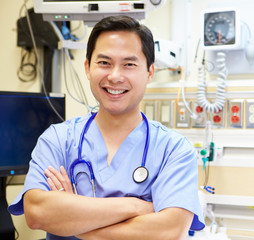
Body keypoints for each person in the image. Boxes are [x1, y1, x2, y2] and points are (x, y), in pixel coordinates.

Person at [8, 15, 205, 239]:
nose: (115, 76)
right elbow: (37, 213)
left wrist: (74, 219)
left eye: (129, 64)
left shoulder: (174, 149)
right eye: (104, 63)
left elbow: (170, 229)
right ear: (87, 68)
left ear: (149, 72)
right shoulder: (58, 140)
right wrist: (135, 206)